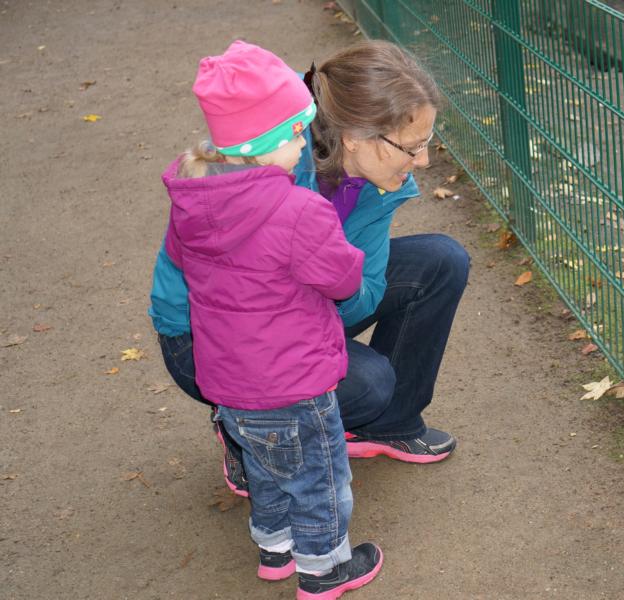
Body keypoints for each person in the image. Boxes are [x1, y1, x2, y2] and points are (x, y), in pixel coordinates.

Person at [149, 40, 470, 491]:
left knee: (442, 260)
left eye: (427, 143)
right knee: (367, 384)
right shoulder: (269, 157)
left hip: (296, 310)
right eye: (413, 146)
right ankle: (247, 432)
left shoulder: (382, 184)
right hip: (213, 336)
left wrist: (331, 276)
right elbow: (243, 300)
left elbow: (364, 293)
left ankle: (389, 423)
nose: (423, 161)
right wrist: (327, 278)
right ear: (357, 137)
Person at [161, 40, 381, 599]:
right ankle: (325, 567)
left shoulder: (192, 202)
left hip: (231, 384)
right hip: (294, 380)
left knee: (266, 468)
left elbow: (186, 265)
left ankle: (275, 548)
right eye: (296, 133)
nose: (304, 142)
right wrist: (351, 254)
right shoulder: (297, 211)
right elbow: (342, 281)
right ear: (265, 145)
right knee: (319, 476)